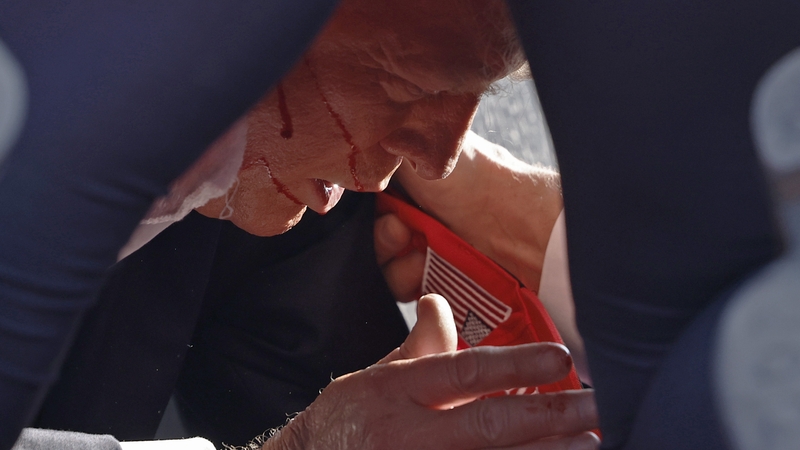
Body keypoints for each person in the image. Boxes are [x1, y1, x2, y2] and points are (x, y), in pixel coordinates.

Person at [0, 0, 599, 449]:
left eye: (479, 95)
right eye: (409, 84)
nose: (438, 158)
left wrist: (521, 221)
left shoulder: (286, 152)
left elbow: (353, 413)